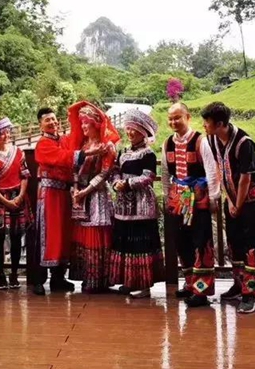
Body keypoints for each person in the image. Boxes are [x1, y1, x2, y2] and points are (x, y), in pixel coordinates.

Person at [202, 102, 255, 315]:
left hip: (252, 200)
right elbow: (219, 168)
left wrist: (238, 204)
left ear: (220, 124)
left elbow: (246, 178)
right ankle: (238, 284)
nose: (204, 126)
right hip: (232, 197)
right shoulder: (213, 140)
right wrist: (230, 201)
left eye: (207, 122)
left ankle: (250, 294)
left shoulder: (244, 143)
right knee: (234, 241)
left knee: (251, 245)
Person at [32, 107, 99, 296]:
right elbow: (62, 158)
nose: (52, 123)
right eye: (47, 120)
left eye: (54, 119)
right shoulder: (43, 144)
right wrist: (86, 154)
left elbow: (77, 134)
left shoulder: (63, 140)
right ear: (40, 125)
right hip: (49, 194)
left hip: (64, 194)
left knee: (63, 235)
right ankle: (38, 280)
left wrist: (82, 112)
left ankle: (58, 278)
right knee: (47, 236)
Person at [160, 103, 218, 307]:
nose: (173, 122)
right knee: (181, 240)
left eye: (177, 117)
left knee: (200, 241)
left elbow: (211, 170)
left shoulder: (201, 141)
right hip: (178, 199)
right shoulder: (167, 143)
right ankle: (190, 283)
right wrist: (166, 195)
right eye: (170, 119)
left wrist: (214, 197)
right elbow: (165, 172)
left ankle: (201, 291)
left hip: (199, 198)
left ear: (187, 117)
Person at [109, 109, 164, 299]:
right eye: (128, 128)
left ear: (143, 132)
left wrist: (127, 184)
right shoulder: (123, 152)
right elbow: (114, 171)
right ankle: (129, 281)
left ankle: (145, 285)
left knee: (141, 243)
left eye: (134, 129)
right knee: (126, 242)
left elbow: (148, 177)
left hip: (141, 204)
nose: (130, 133)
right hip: (123, 205)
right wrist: (116, 182)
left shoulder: (148, 154)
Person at [68, 102, 120, 293]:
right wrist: (75, 188)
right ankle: (86, 277)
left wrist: (85, 191)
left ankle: (99, 279)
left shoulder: (107, 146)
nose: (83, 126)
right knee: (83, 235)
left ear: (96, 124)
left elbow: (105, 173)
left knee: (96, 233)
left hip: (97, 195)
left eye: (86, 123)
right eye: (81, 123)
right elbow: (74, 169)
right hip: (81, 194)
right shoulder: (83, 145)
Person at [0, 118, 33, 290]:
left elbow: (25, 175)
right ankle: (0, 273)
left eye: (8, 132)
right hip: (0, 199)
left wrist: (20, 196)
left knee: (17, 236)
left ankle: (14, 273)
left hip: (17, 196)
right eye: (2, 133)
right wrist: (5, 201)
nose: (6, 135)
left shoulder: (18, 152)